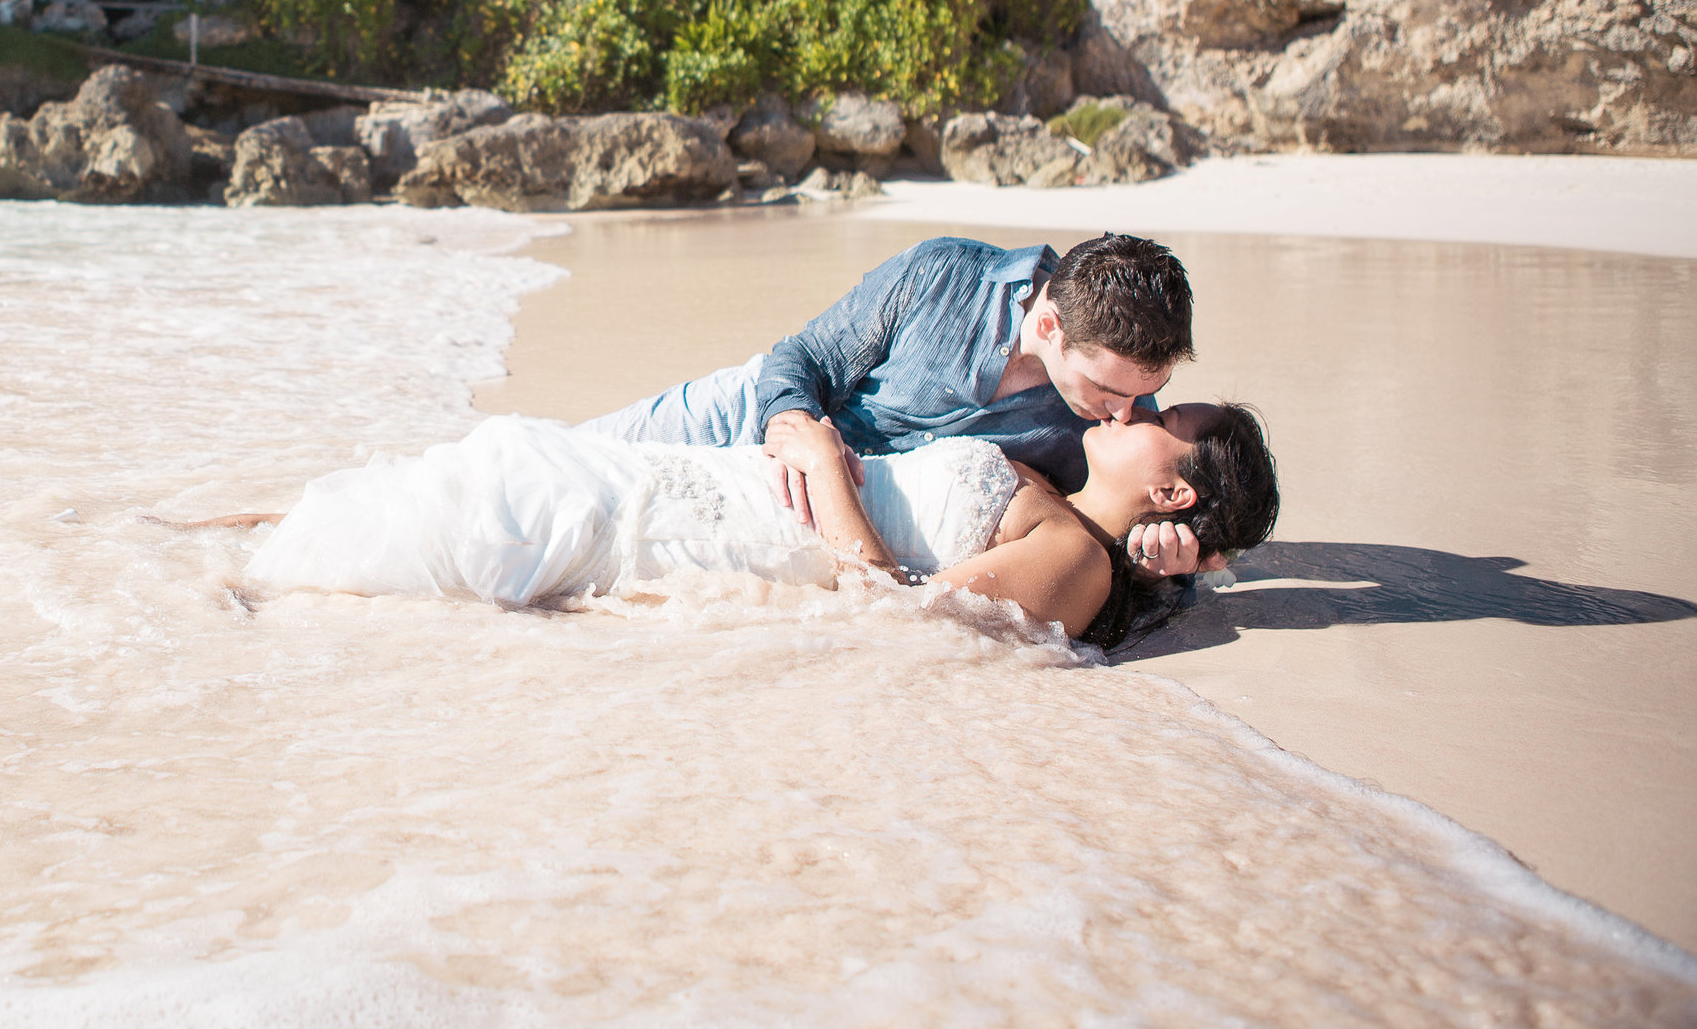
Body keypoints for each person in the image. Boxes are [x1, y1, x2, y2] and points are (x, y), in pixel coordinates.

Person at [227, 401, 1279, 649]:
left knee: (496, 512)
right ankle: (166, 550)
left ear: (1174, 490)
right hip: (707, 478)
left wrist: (823, 460)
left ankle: (170, 581)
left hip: (728, 528)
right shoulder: (1057, 490)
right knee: (476, 481)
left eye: (1163, 423)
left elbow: (897, 619)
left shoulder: (1075, 562)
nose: (1138, 409)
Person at [576, 232, 1221, 577]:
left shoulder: (1113, 420)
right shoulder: (943, 272)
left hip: (834, 506)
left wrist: (1171, 562)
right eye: (1109, 390)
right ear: (1049, 327)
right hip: (750, 410)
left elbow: (1102, 521)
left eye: (1143, 396)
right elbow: (805, 356)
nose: (1125, 414)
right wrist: (793, 423)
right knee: (560, 460)